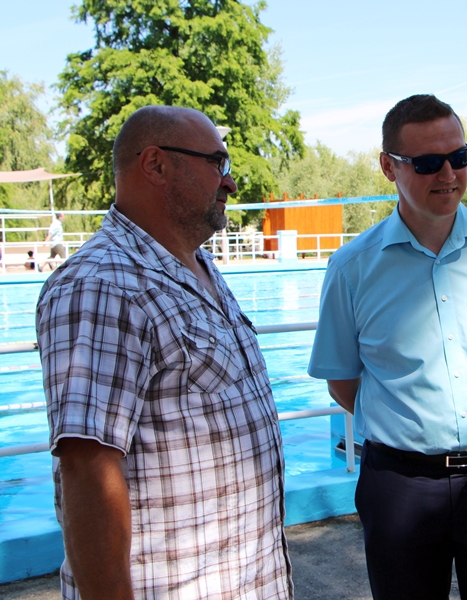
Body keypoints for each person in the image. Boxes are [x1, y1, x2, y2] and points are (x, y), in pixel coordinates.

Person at [36, 106, 292, 599]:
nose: (230, 182)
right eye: (217, 162)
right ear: (155, 164)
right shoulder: (103, 285)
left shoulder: (198, 266)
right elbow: (87, 472)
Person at [308, 94, 467, 600]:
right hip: (400, 487)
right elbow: (343, 382)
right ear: (388, 167)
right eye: (427, 163)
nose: (448, 173)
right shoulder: (351, 268)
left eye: (459, 157)